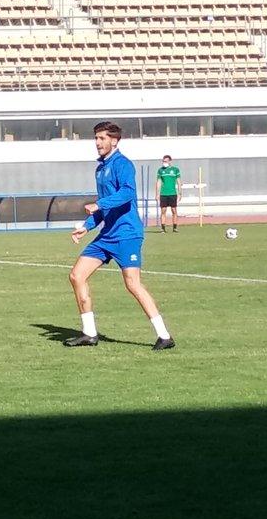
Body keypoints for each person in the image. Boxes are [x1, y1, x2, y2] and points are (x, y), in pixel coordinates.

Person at [66, 122, 175, 350]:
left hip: (127, 234)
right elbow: (104, 209)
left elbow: (127, 193)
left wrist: (99, 204)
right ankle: (89, 333)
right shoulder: (100, 168)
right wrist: (86, 227)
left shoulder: (123, 164)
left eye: (102, 138)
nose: (97, 143)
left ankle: (164, 336)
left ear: (114, 140)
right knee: (77, 276)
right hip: (107, 236)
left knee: (132, 284)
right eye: (96, 138)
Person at [156, 155, 182, 233]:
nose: (164, 163)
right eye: (163, 161)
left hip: (172, 193)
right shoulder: (160, 170)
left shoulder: (175, 170)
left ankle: (175, 227)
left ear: (170, 161)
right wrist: (157, 194)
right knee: (163, 211)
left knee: (174, 210)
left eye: (166, 161)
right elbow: (158, 182)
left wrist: (180, 193)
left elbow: (179, 182)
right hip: (163, 193)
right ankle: (163, 228)